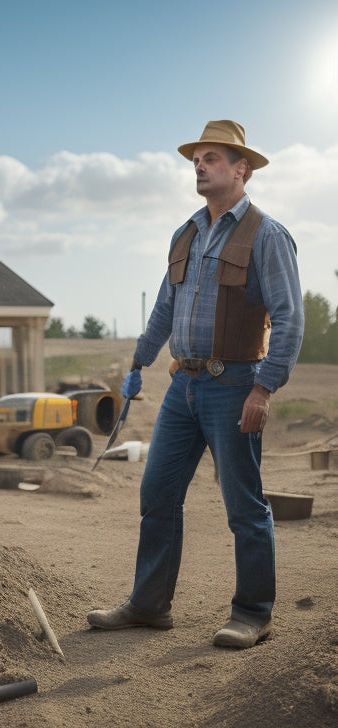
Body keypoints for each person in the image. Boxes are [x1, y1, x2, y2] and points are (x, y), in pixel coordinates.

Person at [87, 120, 304, 648]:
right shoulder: (185, 233)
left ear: (241, 169)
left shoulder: (267, 235)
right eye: (196, 159)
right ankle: (148, 605)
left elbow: (290, 318)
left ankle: (253, 613)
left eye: (212, 158)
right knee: (157, 494)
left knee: (244, 507)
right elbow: (165, 309)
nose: (200, 167)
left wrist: (263, 389)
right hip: (182, 389)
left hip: (234, 387)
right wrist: (138, 361)